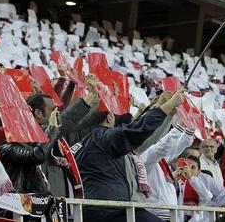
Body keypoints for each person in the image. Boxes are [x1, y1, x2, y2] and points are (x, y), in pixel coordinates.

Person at [75, 90, 184, 222]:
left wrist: (162, 108)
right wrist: (168, 105)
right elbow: (135, 131)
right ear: (110, 117)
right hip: (110, 211)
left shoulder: (87, 141)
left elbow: (143, 137)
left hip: (102, 208)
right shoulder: (102, 139)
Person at [179, 150, 225, 222]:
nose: (189, 170)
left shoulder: (206, 179)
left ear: (199, 171)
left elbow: (221, 194)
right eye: (187, 167)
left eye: (193, 167)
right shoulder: (178, 179)